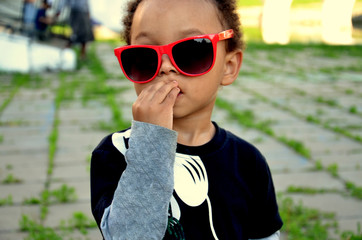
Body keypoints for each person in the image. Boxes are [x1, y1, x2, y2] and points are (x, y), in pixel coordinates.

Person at [91, 0, 283, 239]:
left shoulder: (247, 162)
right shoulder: (114, 154)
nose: (165, 67)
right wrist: (151, 140)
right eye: (144, 56)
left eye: (192, 50)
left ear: (229, 66)